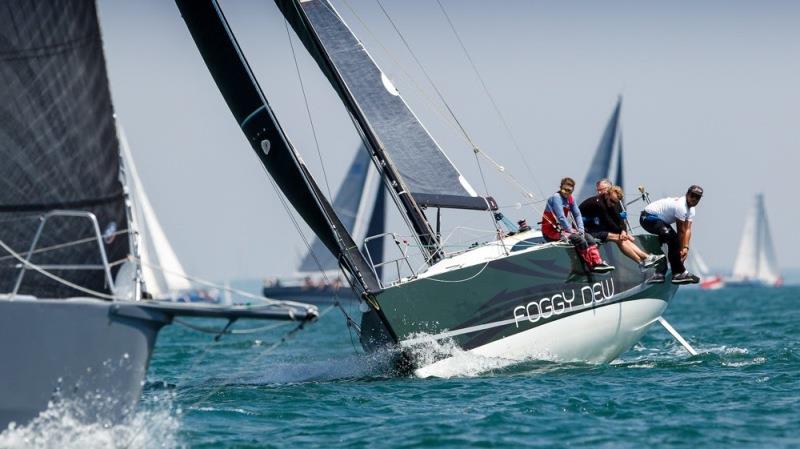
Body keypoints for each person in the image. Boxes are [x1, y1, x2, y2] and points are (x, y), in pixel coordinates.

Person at [542, 177, 614, 273]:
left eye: (569, 191)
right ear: (560, 188)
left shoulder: (570, 198)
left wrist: (581, 229)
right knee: (580, 239)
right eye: (564, 190)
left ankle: (597, 262)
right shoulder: (556, 198)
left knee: (588, 237)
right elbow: (561, 217)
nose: (566, 193)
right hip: (550, 232)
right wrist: (571, 230)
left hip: (563, 230)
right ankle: (590, 265)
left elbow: (577, 214)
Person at [580, 185, 661, 267]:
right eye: (612, 201)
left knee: (622, 237)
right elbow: (608, 221)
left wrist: (623, 231)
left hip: (598, 227)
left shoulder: (613, 201)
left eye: (615, 202)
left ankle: (645, 261)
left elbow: (620, 219)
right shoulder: (599, 204)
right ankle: (643, 260)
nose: (613, 204)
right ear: (607, 195)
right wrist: (624, 234)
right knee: (619, 238)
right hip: (587, 230)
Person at [639, 185, 703, 284]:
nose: (694, 199)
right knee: (673, 240)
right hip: (647, 218)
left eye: (697, 197)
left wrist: (686, 247)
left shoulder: (691, 210)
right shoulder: (681, 206)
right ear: (687, 194)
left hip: (660, 221)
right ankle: (678, 273)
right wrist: (680, 250)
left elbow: (688, 230)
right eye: (692, 195)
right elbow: (681, 231)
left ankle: (668, 273)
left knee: (674, 240)